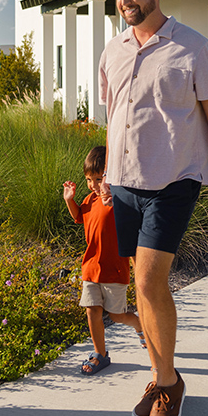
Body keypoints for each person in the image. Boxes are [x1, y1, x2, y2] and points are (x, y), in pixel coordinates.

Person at [98, 0, 208, 416]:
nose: (125, 1)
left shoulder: (193, 47)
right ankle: (163, 375)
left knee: (148, 280)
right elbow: (116, 118)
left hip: (174, 179)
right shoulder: (112, 50)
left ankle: (168, 387)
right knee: (140, 290)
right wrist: (106, 174)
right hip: (124, 182)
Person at [62, 146, 146, 375]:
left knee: (117, 316)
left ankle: (139, 324)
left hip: (114, 269)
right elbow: (79, 216)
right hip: (91, 267)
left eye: (99, 179)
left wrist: (116, 201)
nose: (93, 185)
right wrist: (70, 200)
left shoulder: (118, 200)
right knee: (92, 310)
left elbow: (133, 226)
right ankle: (100, 353)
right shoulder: (89, 199)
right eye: (89, 180)